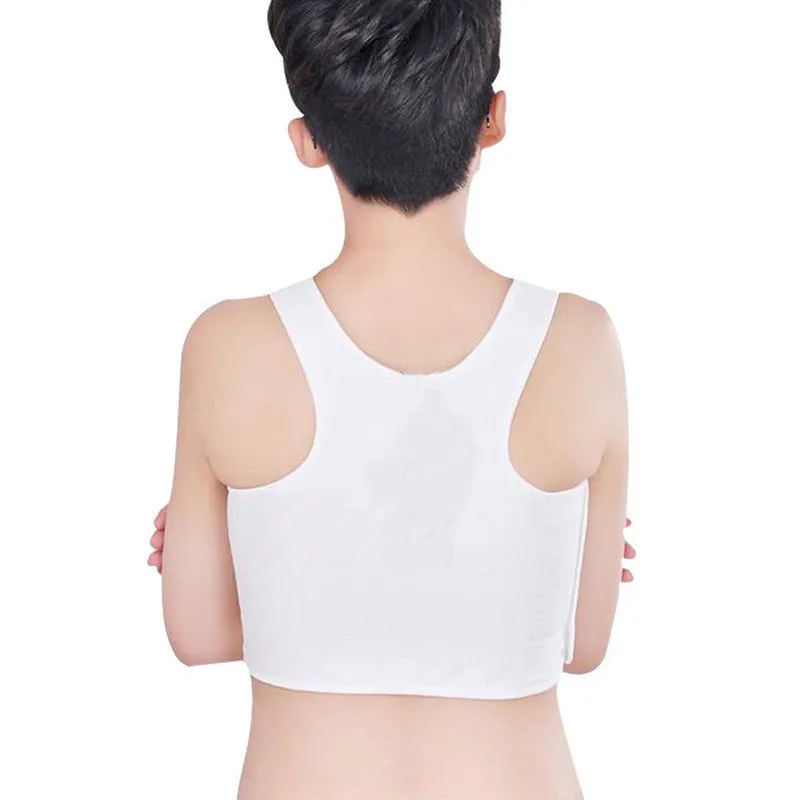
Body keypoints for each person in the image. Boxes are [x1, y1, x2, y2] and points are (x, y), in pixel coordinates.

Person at [148, 1, 634, 798]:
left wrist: (270, 558)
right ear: (493, 119)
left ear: (308, 140)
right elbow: (578, 644)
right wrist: (519, 569)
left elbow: (197, 633)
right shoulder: (582, 342)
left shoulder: (228, 346)